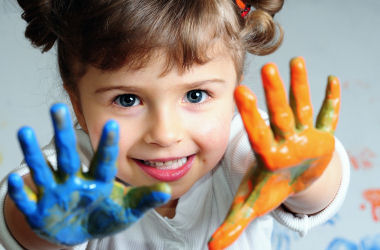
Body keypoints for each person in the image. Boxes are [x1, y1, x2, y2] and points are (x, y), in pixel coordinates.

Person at [0, 0, 350, 249]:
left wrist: (308, 175)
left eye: (196, 95)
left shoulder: (247, 148)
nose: (165, 134)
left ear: (235, 88)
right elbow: (20, 214)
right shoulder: (76, 174)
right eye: (127, 100)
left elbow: (314, 197)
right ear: (77, 102)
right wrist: (41, 225)